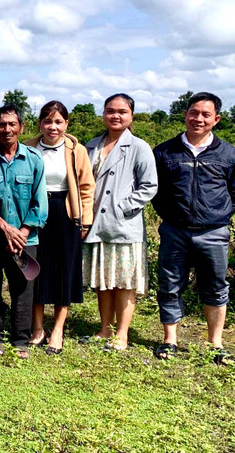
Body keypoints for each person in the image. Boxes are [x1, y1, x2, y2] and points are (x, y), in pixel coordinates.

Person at [151, 92, 235, 365]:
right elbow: (157, 192)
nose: (199, 119)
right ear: (185, 115)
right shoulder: (165, 151)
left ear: (216, 119)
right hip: (174, 230)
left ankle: (215, 342)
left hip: (213, 232)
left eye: (206, 114)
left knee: (216, 286)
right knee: (170, 285)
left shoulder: (228, 154)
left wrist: (218, 216)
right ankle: (170, 339)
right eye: (194, 113)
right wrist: (171, 217)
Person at [82, 94, 157, 351]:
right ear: (103, 114)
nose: (116, 116)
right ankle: (104, 328)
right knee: (103, 280)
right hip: (96, 223)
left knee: (125, 281)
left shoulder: (139, 147)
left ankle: (122, 334)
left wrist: (123, 206)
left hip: (124, 225)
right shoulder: (91, 145)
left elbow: (149, 186)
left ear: (131, 115)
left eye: (122, 111)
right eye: (110, 110)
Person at [25, 101, 94, 355]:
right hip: (35, 214)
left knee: (64, 273)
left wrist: (84, 220)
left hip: (65, 214)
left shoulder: (77, 151)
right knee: (36, 271)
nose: (52, 127)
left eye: (58, 122)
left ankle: (58, 330)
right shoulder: (29, 148)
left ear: (66, 123)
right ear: (40, 123)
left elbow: (87, 188)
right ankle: (38, 329)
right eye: (47, 121)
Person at [0, 104, 47, 360]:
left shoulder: (33, 159)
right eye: (1, 125)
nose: (7, 129)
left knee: (22, 287)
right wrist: (4, 227)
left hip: (25, 238)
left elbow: (39, 201)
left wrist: (22, 231)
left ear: (21, 127)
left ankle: (21, 339)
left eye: (12, 124)